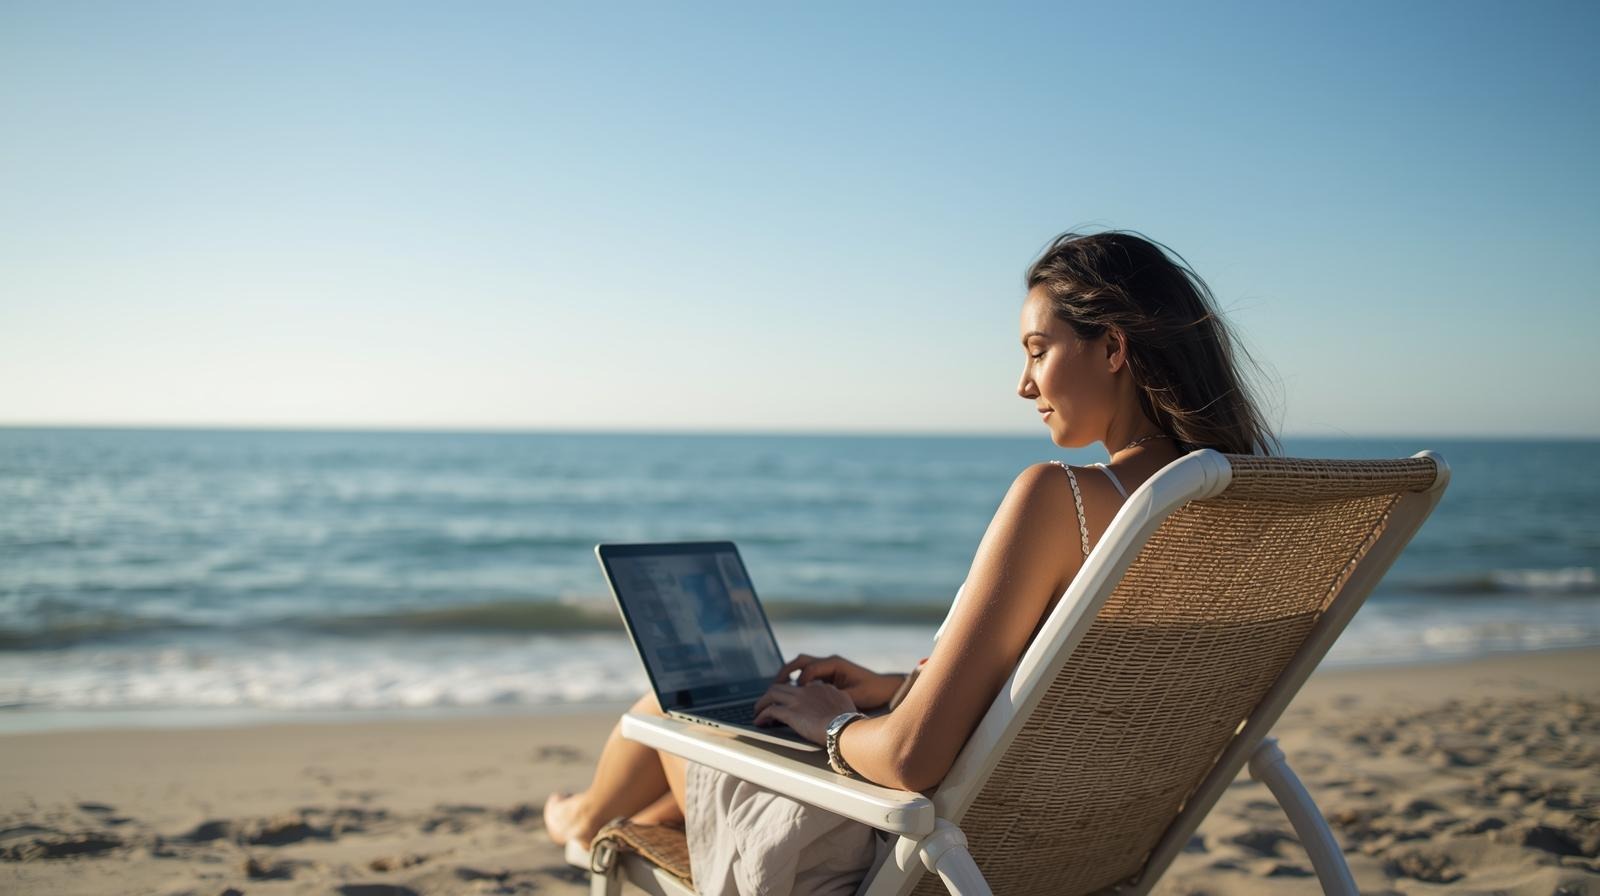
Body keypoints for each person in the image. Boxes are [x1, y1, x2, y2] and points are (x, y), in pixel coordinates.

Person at [543, 230, 1279, 893]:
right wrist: (892, 688)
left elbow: (914, 761)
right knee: (727, 734)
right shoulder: (1245, 516)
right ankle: (583, 820)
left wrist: (835, 723)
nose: (1024, 385)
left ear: (1113, 349)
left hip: (903, 848)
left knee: (669, 711)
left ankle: (578, 824)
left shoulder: (1063, 499)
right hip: (1060, 847)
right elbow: (1070, 693)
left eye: (1036, 351)